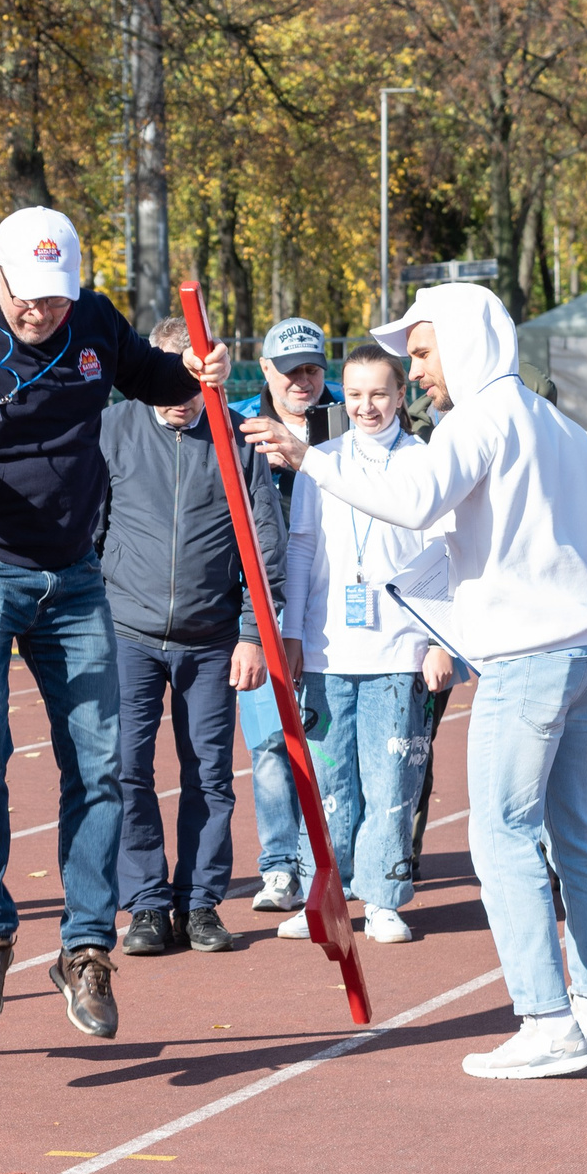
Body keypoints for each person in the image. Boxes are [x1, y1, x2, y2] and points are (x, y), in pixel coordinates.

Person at [0, 207, 229, 1040]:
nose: (40, 312)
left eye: (55, 299)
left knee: (102, 760)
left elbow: (160, 378)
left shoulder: (92, 322)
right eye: (27, 296)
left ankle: (86, 947)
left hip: (73, 571)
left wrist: (200, 369)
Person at [248, 284, 587, 1081]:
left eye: (422, 352)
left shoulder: (478, 420)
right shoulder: (562, 426)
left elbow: (417, 500)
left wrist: (311, 458)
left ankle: (546, 1019)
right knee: (577, 832)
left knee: (502, 834)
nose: (416, 370)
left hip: (528, 656)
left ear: (464, 342)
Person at [99, 318, 285, 957]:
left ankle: (200, 902)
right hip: (127, 631)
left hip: (211, 639)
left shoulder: (237, 439)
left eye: (194, 380)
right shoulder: (113, 430)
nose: (181, 395)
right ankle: (148, 904)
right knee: (126, 768)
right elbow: (87, 529)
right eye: (170, 378)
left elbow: (263, 543)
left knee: (209, 772)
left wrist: (253, 633)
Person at [275, 343, 452, 945]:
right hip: (327, 651)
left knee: (392, 781)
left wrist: (438, 641)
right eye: (354, 394)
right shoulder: (320, 460)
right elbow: (302, 548)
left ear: (402, 395)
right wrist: (293, 633)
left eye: (379, 393)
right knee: (327, 785)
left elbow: (442, 555)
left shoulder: (425, 460)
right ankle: (323, 895)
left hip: (399, 651)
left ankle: (382, 899)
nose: (366, 406)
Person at [231, 316, 342, 915]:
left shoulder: (347, 416)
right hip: (264, 602)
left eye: (311, 369)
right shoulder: (240, 424)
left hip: (334, 601)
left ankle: (327, 860)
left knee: (329, 739)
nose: (302, 381)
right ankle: (278, 867)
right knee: (271, 741)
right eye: (289, 369)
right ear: (266, 370)